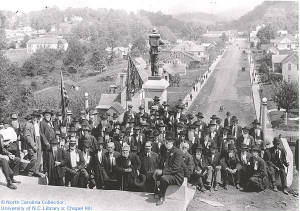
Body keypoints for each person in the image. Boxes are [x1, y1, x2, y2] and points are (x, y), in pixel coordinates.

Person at [153, 133, 184, 206]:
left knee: (163, 178)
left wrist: (162, 172)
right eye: (166, 141)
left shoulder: (178, 152)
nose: (167, 143)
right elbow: (161, 163)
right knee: (153, 174)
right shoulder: (164, 150)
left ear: (172, 142)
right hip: (168, 173)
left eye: (169, 141)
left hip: (176, 176)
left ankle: (161, 197)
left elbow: (175, 168)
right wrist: (157, 170)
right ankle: (157, 190)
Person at [40, 109, 56, 174]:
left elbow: (53, 133)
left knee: (51, 157)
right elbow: (41, 133)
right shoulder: (42, 123)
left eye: (49, 115)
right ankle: (45, 170)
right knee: (46, 157)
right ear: (44, 116)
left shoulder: (50, 123)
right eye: (46, 115)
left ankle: (50, 170)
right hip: (46, 144)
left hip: (52, 143)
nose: (47, 116)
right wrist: (46, 142)